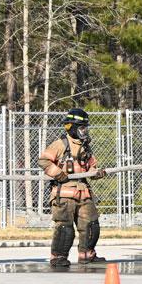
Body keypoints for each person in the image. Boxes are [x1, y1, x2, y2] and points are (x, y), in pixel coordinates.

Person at [38, 107, 108, 269]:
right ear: (71, 127)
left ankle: (87, 254)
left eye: (85, 128)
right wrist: (57, 173)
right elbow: (43, 161)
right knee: (64, 227)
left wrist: (97, 173)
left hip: (83, 192)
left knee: (91, 225)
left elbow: (91, 167)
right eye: (82, 128)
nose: (84, 131)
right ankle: (59, 257)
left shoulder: (85, 146)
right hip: (64, 193)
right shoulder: (60, 144)